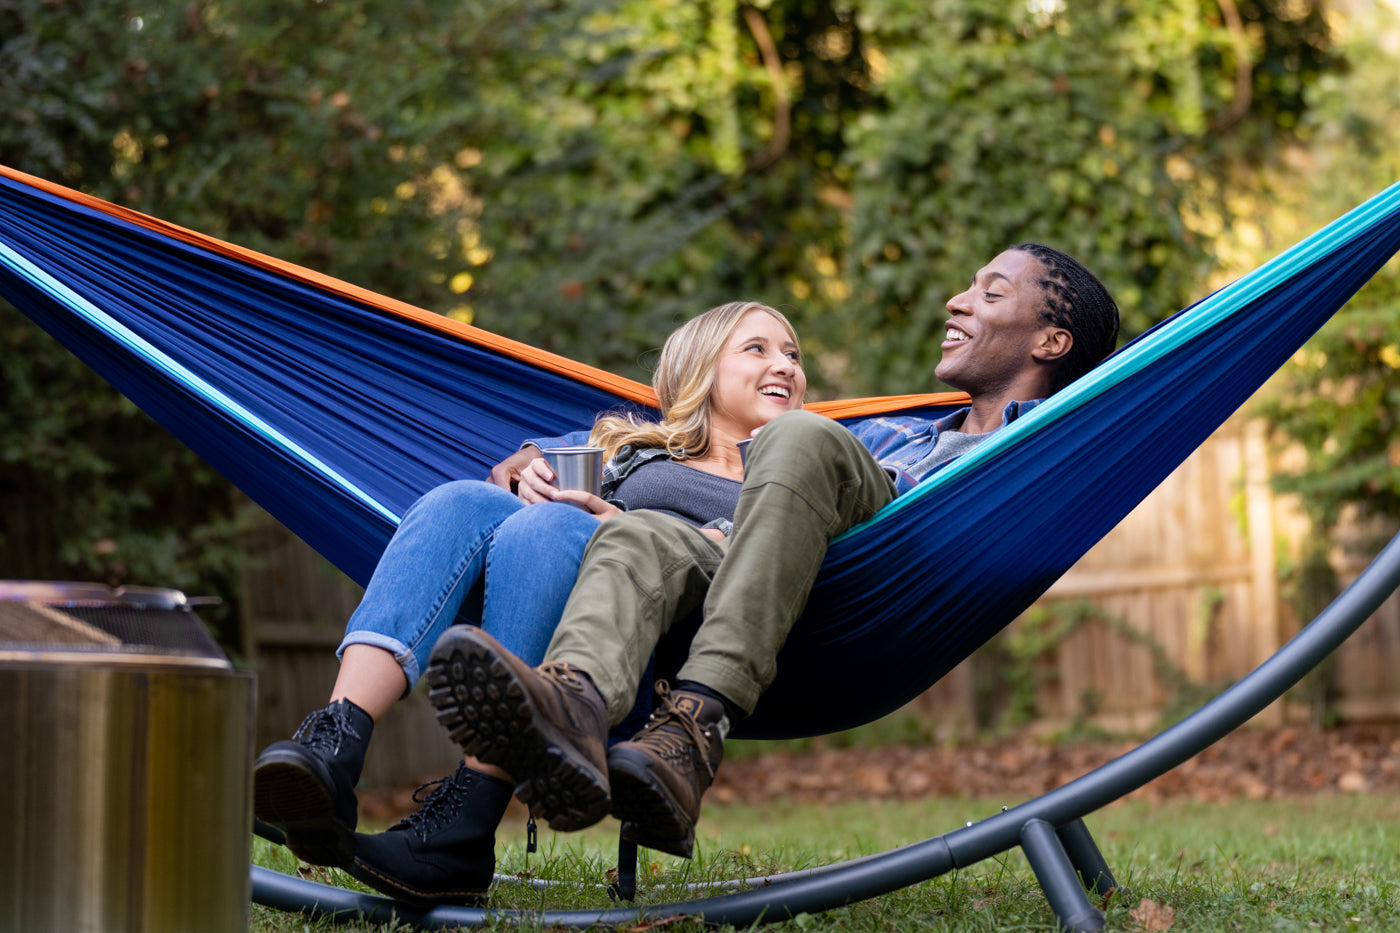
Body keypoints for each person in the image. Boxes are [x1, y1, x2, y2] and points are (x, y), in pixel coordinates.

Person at [427, 243, 1121, 859]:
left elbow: (801, 455)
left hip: (858, 593)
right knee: (637, 532)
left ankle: (696, 724)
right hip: (740, 578)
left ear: (1052, 342)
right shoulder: (895, 432)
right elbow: (645, 451)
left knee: (797, 433)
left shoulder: (1040, 445)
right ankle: (576, 709)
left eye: (990, 292)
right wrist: (528, 458)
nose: (957, 300)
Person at [252, 300, 807, 906]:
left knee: (546, 530)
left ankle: (469, 815)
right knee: (458, 500)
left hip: (633, 649)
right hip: (543, 578)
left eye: (793, 355)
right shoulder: (629, 445)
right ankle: (335, 742)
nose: (783, 364)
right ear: (699, 370)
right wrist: (527, 474)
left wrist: (613, 523)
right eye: (757, 349)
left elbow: (768, 558)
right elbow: (514, 467)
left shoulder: (794, 470)